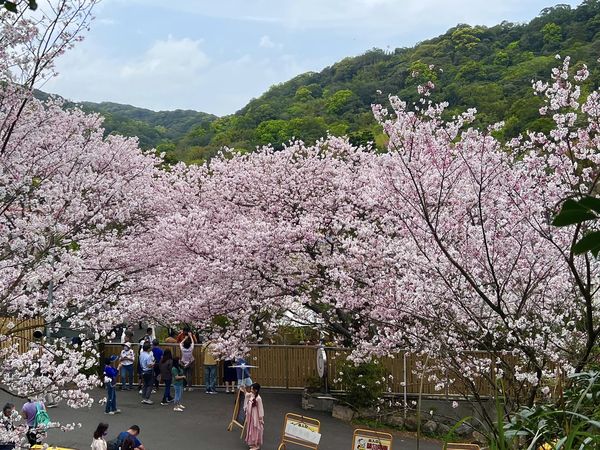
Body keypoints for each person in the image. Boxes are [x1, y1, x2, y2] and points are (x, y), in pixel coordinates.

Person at [244, 383, 264, 450]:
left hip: (256, 417)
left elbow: (260, 409)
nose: (251, 390)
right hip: (251, 416)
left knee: (256, 429)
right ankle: (252, 443)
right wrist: (243, 388)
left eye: (252, 389)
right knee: (251, 429)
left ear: (256, 390)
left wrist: (261, 418)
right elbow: (246, 395)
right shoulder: (252, 395)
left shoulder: (258, 398)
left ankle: (256, 445)